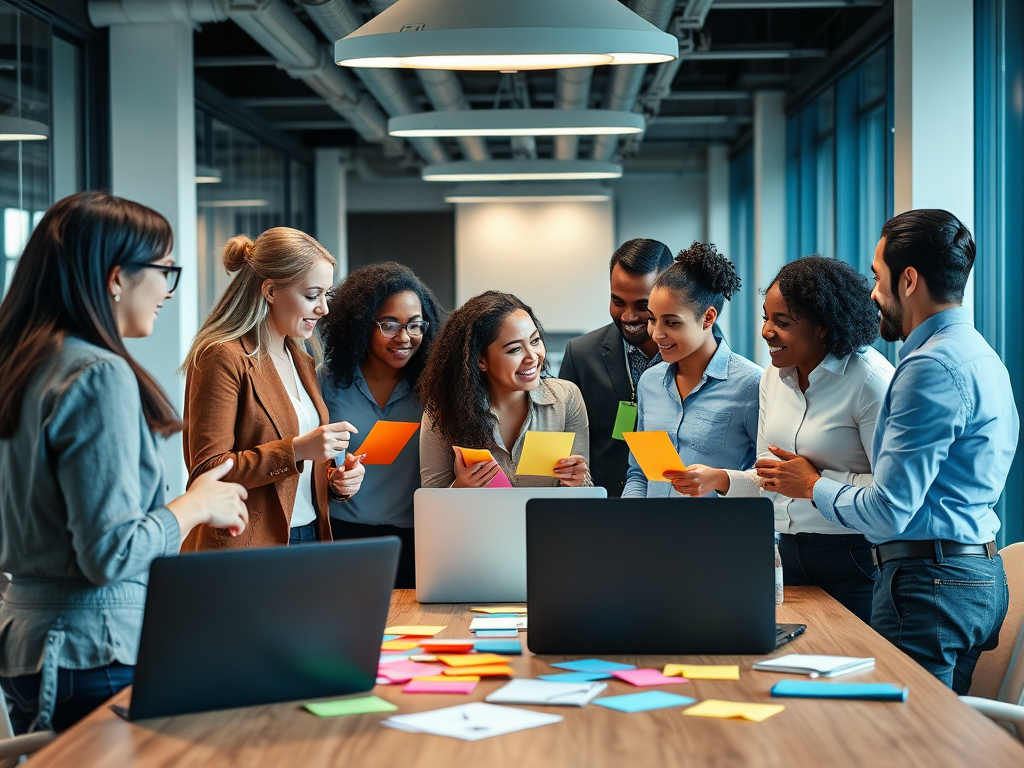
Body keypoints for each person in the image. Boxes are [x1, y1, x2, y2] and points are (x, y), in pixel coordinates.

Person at [0, 192, 248, 734]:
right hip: (93, 648)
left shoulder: (25, 367)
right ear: (116, 278)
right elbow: (109, 554)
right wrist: (193, 506)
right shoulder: (96, 374)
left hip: (33, 644)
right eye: (164, 270)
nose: (167, 289)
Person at [765, 210, 1018, 693]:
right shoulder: (982, 355)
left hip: (929, 586)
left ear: (908, 280)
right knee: (943, 740)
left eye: (878, 278)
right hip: (977, 576)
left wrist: (814, 485)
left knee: (907, 742)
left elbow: (888, 512)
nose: (874, 295)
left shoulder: (928, 368)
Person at [678, 256, 894, 622]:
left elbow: (891, 494)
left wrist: (815, 484)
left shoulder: (870, 383)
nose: (766, 332)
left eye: (783, 322)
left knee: (849, 666)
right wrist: (721, 478)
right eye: (766, 317)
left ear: (823, 327)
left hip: (854, 560)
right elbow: (773, 479)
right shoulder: (771, 379)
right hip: (784, 554)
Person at [180, 228, 365, 550]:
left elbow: (297, 474)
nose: (324, 309)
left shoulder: (302, 360)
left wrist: (333, 483)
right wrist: (296, 450)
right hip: (248, 544)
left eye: (326, 295)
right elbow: (208, 470)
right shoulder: (222, 356)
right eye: (312, 295)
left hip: (308, 535)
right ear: (269, 291)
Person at [318, 262, 444, 588]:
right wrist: (333, 478)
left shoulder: (435, 389)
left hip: (419, 539)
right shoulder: (325, 384)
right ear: (361, 325)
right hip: (343, 537)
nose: (404, 337)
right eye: (389, 325)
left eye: (415, 326)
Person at [622, 242, 761, 499]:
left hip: (717, 535)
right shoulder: (650, 382)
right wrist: (629, 525)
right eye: (652, 318)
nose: (656, 334)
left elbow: (771, 481)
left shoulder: (751, 384)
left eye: (672, 322)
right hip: (651, 534)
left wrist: (721, 480)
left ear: (708, 318)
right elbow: (639, 473)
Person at [418, 291, 592, 488]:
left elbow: (580, 498)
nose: (532, 357)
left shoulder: (566, 399)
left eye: (535, 341)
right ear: (480, 360)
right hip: (477, 519)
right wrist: (459, 489)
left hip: (544, 519)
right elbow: (431, 498)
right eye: (514, 349)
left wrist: (580, 482)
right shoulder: (443, 410)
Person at [559, 238, 674, 497]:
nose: (628, 316)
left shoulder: (695, 354)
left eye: (642, 305)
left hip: (672, 507)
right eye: (617, 301)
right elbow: (562, 444)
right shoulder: (581, 354)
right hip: (601, 507)